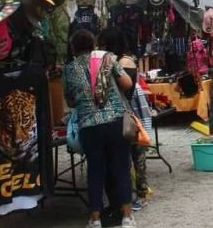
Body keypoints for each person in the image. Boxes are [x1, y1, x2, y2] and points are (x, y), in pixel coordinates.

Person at [64, 30, 136, 228]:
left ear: (73, 49)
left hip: (89, 126)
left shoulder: (69, 69)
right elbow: (127, 83)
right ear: (93, 44)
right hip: (115, 121)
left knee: (95, 171)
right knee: (121, 168)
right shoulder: (108, 59)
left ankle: (95, 219)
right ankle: (127, 217)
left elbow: (70, 100)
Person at [98, 27, 150, 212]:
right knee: (133, 154)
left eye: (104, 43)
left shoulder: (124, 62)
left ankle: (136, 195)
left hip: (126, 111)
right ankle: (136, 194)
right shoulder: (120, 60)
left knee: (132, 154)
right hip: (125, 110)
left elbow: (125, 90)